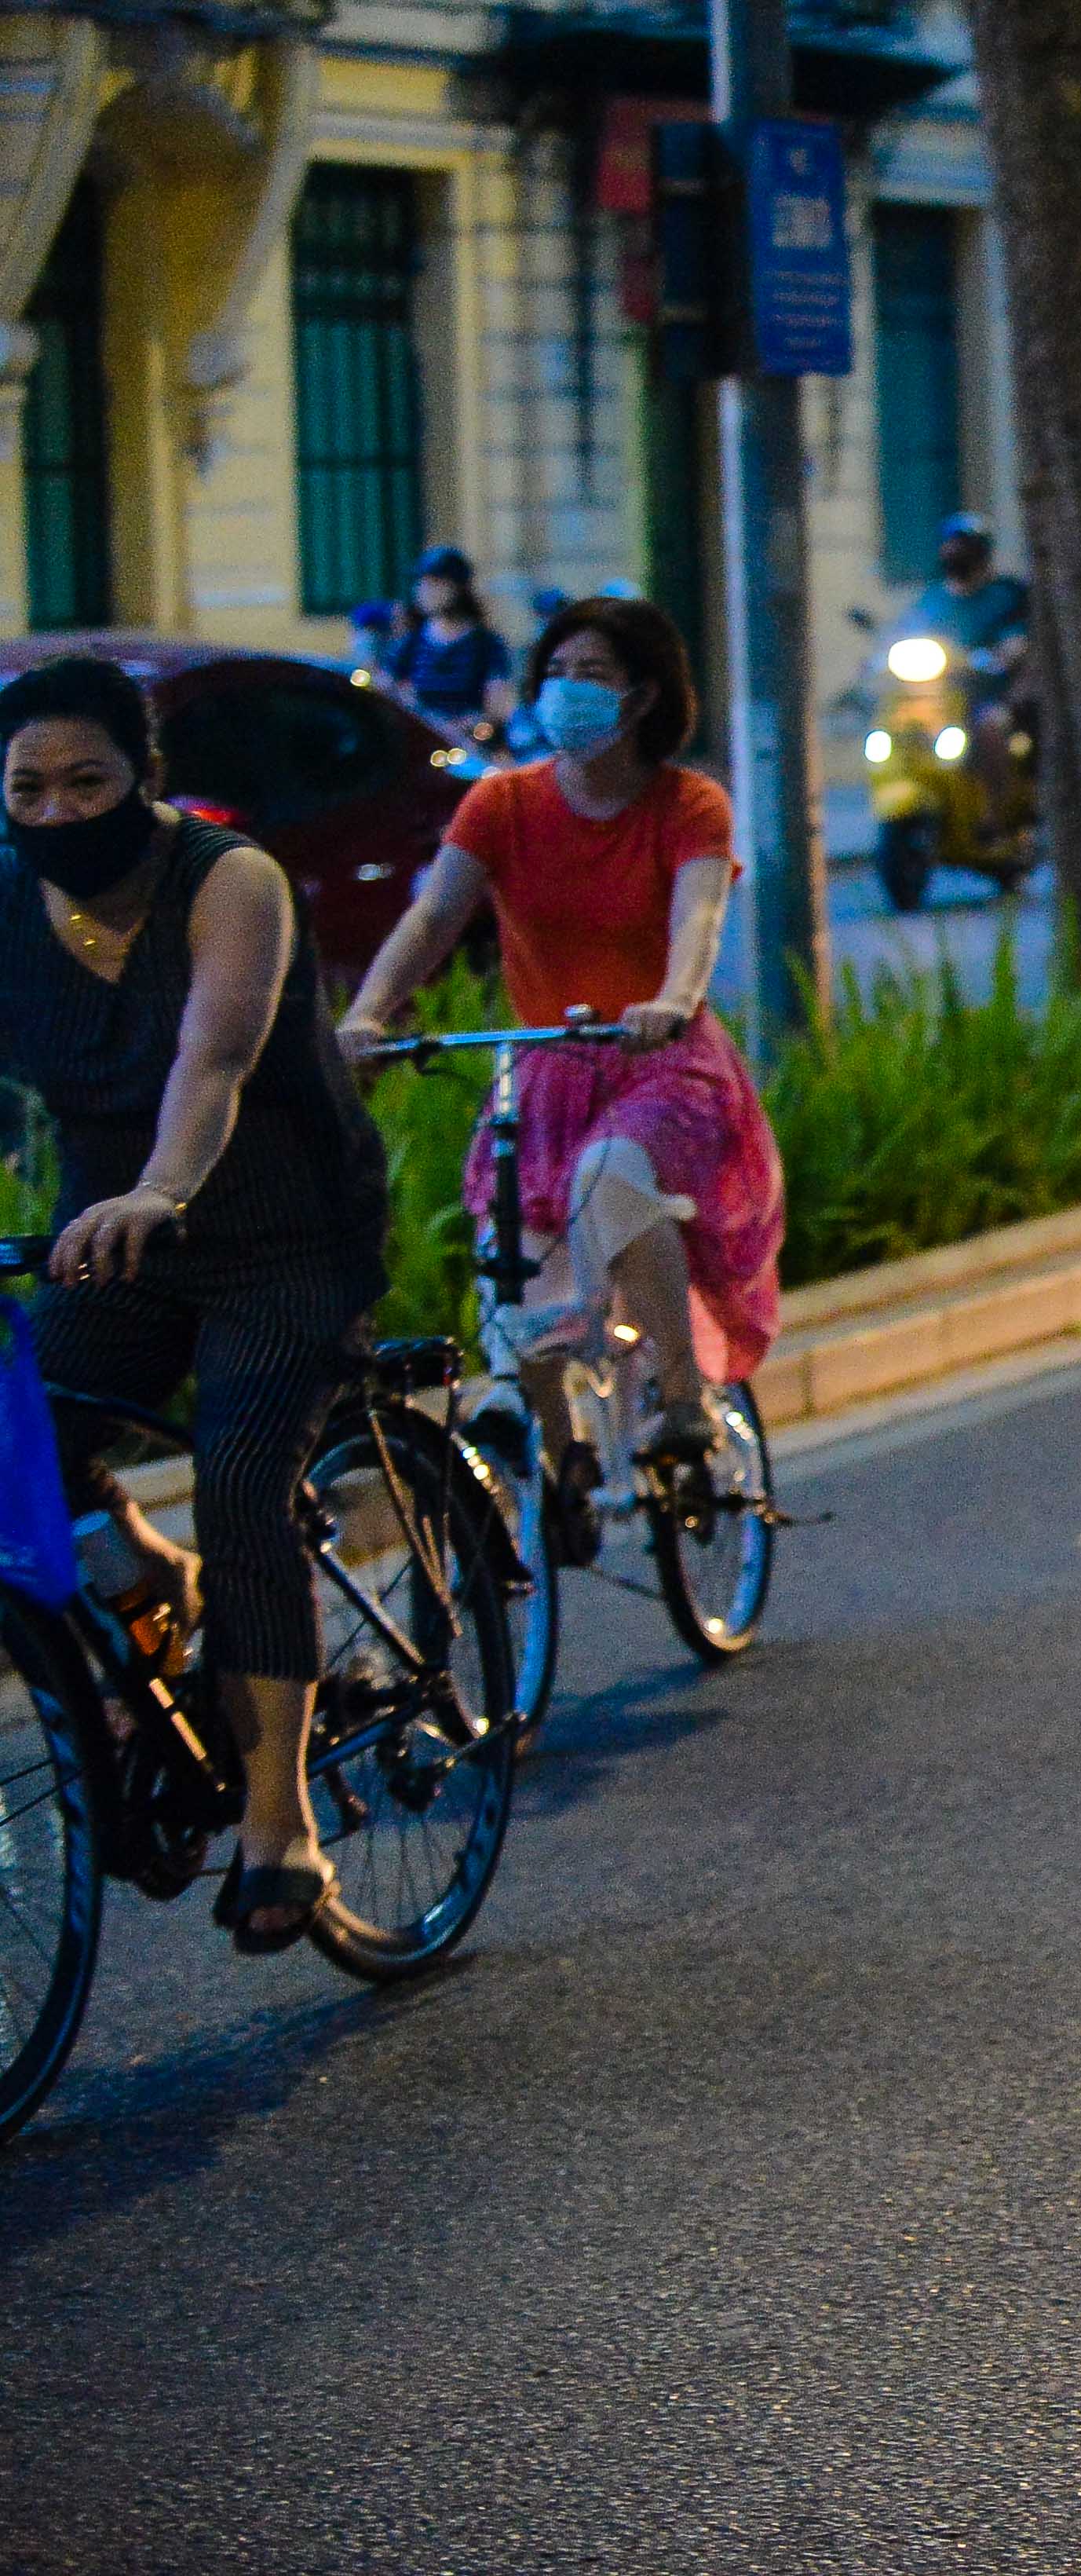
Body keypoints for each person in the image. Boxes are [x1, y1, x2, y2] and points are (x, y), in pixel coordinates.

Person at [0, 655, 393, 1953]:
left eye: (87, 782)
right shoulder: (8, 907)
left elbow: (212, 1057)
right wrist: (116, 1216)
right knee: (15, 1438)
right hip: (113, 1247)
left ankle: (282, 1823)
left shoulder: (230, 881)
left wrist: (164, 1186)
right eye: (28, 789)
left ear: (146, 778)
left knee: (236, 1475)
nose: (57, 811)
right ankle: (134, 1572)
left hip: (280, 1237)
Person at [338, 597, 785, 1463]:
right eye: (556, 672)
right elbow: (430, 920)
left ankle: (682, 1396)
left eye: (593, 675)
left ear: (644, 696)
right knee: (515, 1266)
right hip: (542, 1068)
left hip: (659, 1061)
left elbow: (698, 921)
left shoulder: (688, 806)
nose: (567, 690)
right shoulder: (501, 806)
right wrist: (367, 1014)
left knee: (613, 1174)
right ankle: (558, 1465)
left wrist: (672, 1000)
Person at [906, 513, 1033, 809]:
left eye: (964, 546)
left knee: (989, 727)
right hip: (937, 697)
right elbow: (906, 633)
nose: (955, 552)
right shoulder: (932, 599)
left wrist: (1006, 653)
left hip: (990, 696)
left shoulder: (1004, 595)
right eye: (951, 545)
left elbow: (1017, 640)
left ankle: (996, 813)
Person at [378, 544, 517, 752]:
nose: (425, 592)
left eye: (435, 583)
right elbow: (387, 693)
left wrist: (467, 728)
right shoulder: (409, 645)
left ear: (458, 588)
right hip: (421, 747)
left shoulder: (486, 645)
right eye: (422, 584)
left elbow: (498, 710)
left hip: (471, 750)